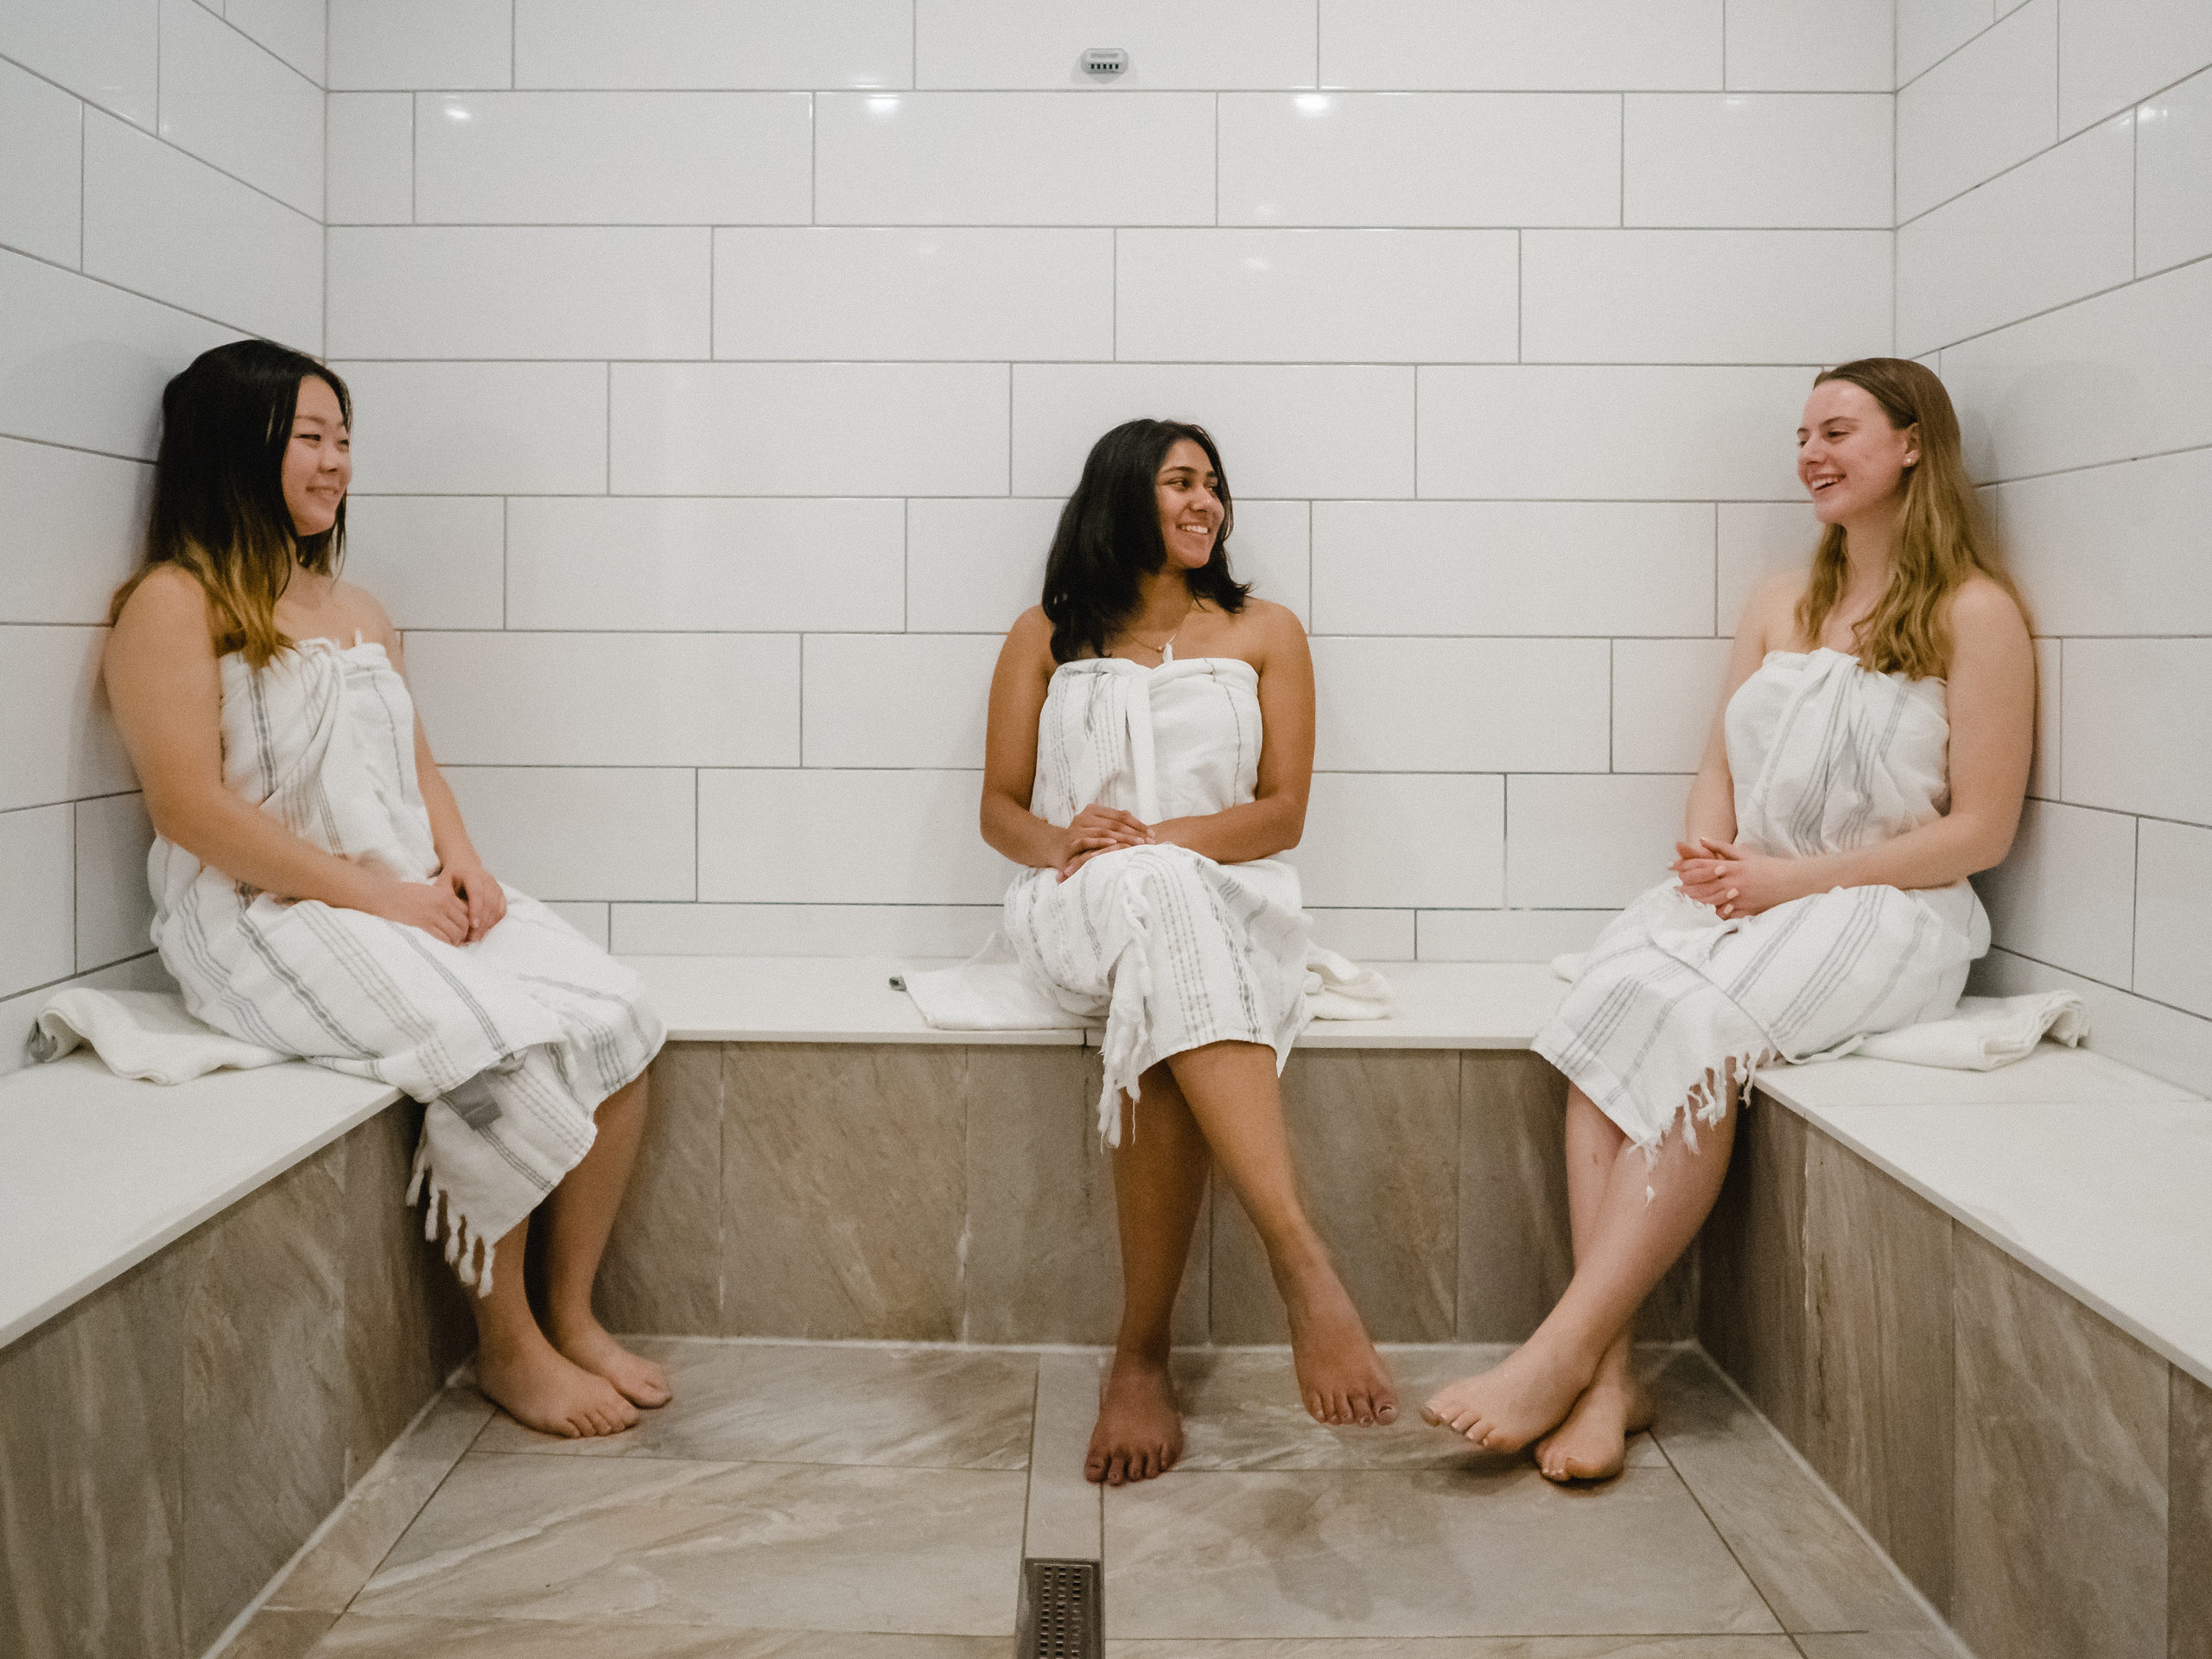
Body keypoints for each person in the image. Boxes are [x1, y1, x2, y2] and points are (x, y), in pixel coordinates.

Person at [1424, 358, 2034, 1481]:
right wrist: (1710, 853)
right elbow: (1719, 761)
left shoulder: (1974, 612)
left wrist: (1781, 885)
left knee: (1694, 1032)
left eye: (1838, 430)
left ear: (1912, 445)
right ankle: (1609, 1380)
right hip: (1755, 886)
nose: (1811, 452)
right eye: (1802, 433)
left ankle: (1559, 1353)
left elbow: (1980, 833)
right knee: (1612, 1007)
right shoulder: (1780, 600)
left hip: (1887, 909)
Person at [103, 340, 670, 1440]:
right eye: (307, 439)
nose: (334, 464)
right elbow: (192, 810)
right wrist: (382, 901)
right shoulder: (172, 604)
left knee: (619, 1015)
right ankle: (506, 1349)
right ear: (234, 449)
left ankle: (571, 1311)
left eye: (343, 440)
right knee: (494, 1043)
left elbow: (414, 763)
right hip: (258, 916)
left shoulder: (353, 606)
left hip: (391, 892)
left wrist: (459, 862)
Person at [978, 419, 1397, 1485]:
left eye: (1214, 484)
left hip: (1219, 893)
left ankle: (1141, 1355)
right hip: (1073, 901)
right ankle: (1300, 1261)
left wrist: (1158, 847)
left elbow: (1281, 814)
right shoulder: (1046, 633)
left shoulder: (1266, 632)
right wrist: (1067, 839)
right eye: (1179, 483)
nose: (1206, 502)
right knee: (1149, 905)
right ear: (1122, 496)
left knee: (1162, 971)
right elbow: (1000, 810)